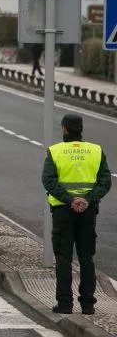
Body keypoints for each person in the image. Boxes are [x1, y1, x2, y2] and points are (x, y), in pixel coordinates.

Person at [42, 114, 111, 315]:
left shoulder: (55, 152)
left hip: (63, 211)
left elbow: (49, 181)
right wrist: (87, 200)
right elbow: (105, 181)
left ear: (64, 129)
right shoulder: (96, 151)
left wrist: (70, 200)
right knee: (86, 257)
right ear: (81, 129)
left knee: (63, 257)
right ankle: (88, 305)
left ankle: (65, 304)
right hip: (88, 211)